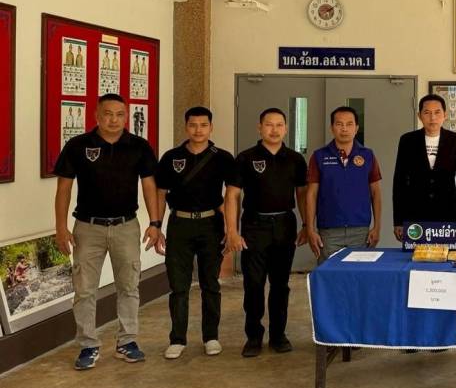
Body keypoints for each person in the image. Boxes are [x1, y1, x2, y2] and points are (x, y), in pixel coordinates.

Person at [53, 93, 162, 370]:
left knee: (129, 286)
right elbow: (63, 188)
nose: (114, 120)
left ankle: (128, 341)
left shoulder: (138, 146)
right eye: (108, 114)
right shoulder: (78, 146)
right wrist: (61, 227)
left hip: (126, 226)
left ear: (126, 117)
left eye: (119, 114)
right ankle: (88, 345)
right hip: (87, 228)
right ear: (96, 116)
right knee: (84, 289)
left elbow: (149, 185)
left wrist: (155, 222)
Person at [154, 106, 240, 360]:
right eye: (193, 125)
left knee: (210, 284)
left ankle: (211, 337)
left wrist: (231, 228)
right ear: (186, 127)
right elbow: (160, 193)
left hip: (211, 224)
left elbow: (231, 196)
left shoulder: (223, 158)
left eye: (203, 125)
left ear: (211, 128)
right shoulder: (171, 157)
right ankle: (177, 339)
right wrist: (156, 225)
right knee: (178, 286)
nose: (198, 130)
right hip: (179, 225)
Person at [225, 108, 308, 358]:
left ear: (286, 128)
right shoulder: (245, 158)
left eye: (279, 125)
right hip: (254, 225)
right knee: (253, 284)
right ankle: (253, 336)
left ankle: (278, 335)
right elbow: (232, 195)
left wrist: (307, 225)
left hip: (284, 224)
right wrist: (232, 231)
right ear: (259, 127)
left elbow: (302, 194)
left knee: (280, 284)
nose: (274, 129)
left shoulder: (295, 159)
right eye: (269, 124)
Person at [306, 106, 383, 261]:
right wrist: (310, 230)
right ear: (332, 128)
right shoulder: (319, 156)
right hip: (328, 232)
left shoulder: (367, 155)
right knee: (329, 274)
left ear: (356, 128)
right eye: (339, 124)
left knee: (358, 273)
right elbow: (311, 194)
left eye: (349, 124)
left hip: (360, 231)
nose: (344, 129)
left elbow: (376, 193)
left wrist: (377, 227)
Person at [392, 94, 456, 239]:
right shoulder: (407, 141)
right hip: (415, 213)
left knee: (447, 252)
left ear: (445, 115)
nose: (432, 117)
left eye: (437, 112)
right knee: (415, 252)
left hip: (448, 213)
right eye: (427, 113)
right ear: (419, 115)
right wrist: (398, 220)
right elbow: (399, 182)